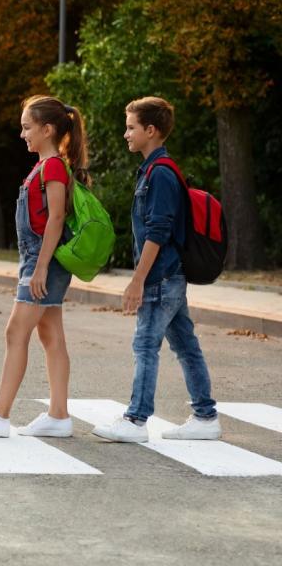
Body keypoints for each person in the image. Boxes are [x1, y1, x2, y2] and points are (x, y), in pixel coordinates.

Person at [92, 97, 220, 442]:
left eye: (131, 127)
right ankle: (206, 417)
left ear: (151, 130)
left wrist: (137, 280)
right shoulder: (155, 169)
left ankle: (135, 420)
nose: (125, 133)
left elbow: (158, 232)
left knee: (145, 345)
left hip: (160, 277)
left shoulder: (160, 174)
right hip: (169, 275)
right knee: (186, 346)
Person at [0, 96, 87, 438]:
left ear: (47, 130)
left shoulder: (53, 167)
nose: (22, 134)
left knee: (16, 331)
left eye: (27, 127)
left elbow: (57, 218)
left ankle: (0, 414)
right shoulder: (46, 165)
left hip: (41, 259)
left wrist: (41, 267)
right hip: (40, 258)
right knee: (50, 334)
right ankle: (58, 415)